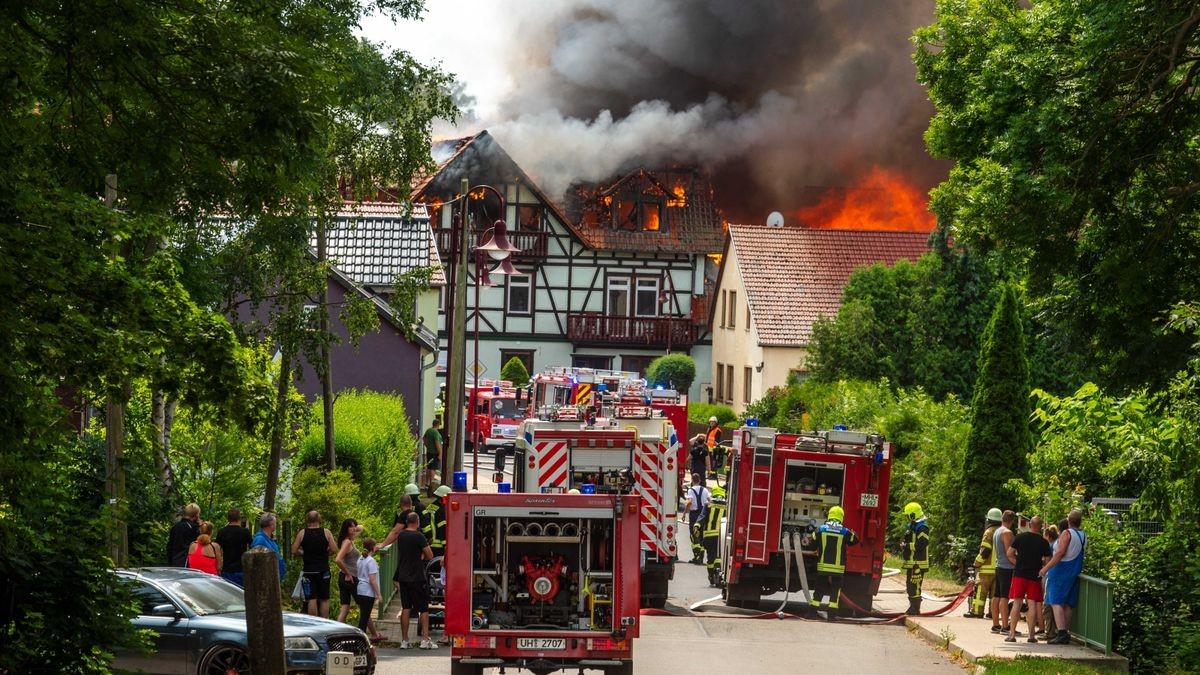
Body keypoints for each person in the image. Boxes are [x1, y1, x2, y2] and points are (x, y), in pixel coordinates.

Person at [1042, 508, 1087, 645]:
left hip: (1060, 571)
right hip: (1074, 571)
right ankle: (1065, 631)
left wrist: (1046, 568)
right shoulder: (1083, 535)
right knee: (1068, 603)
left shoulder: (1067, 533)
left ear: (1069, 521)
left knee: (1055, 601)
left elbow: (1060, 553)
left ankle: (1060, 632)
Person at [1005, 515, 1052, 643]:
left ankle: (1012, 634)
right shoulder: (1043, 542)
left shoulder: (1020, 538)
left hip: (1019, 575)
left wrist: (1017, 563)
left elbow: (1009, 553)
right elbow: (1047, 561)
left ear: (1030, 525)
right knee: (1032, 605)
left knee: (1017, 603)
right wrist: (1041, 567)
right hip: (1034, 577)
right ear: (1041, 527)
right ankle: (1031, 636)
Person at [394, 511, 436, 650]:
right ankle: (425, 639)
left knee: (406, 608)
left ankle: (404, 640)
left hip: (403, 576)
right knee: (423, 609)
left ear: (407, 522)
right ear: (417, 522)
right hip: (417, 576)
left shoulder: (401, 535)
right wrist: (422, 554)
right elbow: (430, 555)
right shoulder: (419, 536)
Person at [808, 505, 859, 615]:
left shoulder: (821, 529)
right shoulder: (844, 531)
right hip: (838, 569)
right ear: (841, 517)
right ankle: (831, 615)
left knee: (819, 589)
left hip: (823, 567)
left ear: (829, 516)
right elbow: (855, 541)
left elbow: (811, 545)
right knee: (835, 591)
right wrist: (853, 533)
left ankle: (812, 613)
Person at [291, 510, 337, 617]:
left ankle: (314, 622)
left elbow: (293, 550)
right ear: (319, 519)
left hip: (308, 571)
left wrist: (303, 553)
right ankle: (324, 622)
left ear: (307, 520)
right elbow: (334, 549)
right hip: (323, 570)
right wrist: (326, 554)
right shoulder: (326, 532)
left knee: (311, 598)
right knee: (324, 599)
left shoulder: (302, 533)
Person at [966, 508, 1003, 619]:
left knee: (980, 592)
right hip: (999, 568)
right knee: (995, 594)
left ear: (989, 520)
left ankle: (977, 612)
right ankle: (993, 613)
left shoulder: (989, 532)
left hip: (986, 569)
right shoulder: (1003, 531)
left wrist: (977, 563)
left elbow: (985, 551)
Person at [900, 501, 930, 615]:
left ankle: (915, 608)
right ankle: (912, 607)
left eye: (908, 515)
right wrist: (904, 543)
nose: (907, 518)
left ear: (913, 515)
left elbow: (921, 544)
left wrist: (907, 546)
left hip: (918, 563)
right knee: (910, 585)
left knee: (915, 586)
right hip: (912, 562)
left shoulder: (922, 527)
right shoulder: (913, 526)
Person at [990, 510, 1017, 635]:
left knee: (996, 595)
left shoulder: (997, 531)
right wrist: (1018, 564)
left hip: (999, 565)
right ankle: (1005, 626)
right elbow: (1009, 553)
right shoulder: (1007, 533)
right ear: (1011, 521)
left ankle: (996, 623)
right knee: (1004, 597)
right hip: (1007, 567)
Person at [354, 537, 385, 642]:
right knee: (364, 617)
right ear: (373, 547)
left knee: (364, 615)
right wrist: (379, 594)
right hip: (367, 592)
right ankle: (359, 640)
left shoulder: (360, 559)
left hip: (360, 589)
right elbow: (372, 580)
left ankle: (360, 639)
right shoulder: (371, 561)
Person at [215, 507, 253, 587]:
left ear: (228, 518)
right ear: (239, 518)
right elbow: (252, 548)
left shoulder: (221, 532)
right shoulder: (245, 532)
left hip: (226, 569)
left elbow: (217, 549)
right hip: (241, 569)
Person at [335, 518, 363, 624]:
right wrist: (348, 573)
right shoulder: (347, 542)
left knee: (345, 608)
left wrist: (355, 527)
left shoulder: (349, 540)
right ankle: (374, 634)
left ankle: (336, 630)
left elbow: (361, 528)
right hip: (350, 578)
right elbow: (338, 559)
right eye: (351, 526)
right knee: (363, 607)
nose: (354, 528)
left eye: (354, 526)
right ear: (345, 529)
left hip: (344, 577)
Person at [702, 485, 728, 586]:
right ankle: (719, 574)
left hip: (709, 536)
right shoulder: (727, 505)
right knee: (719, 556)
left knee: (710, 558)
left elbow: (702, 517)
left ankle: (711, 576)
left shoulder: (708, 504)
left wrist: (697, 525)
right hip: (722, 536)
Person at [684, 473, 711, 564]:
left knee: (694, 535)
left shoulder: (691, 490)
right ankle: (701, 557)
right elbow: (710, 501)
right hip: (703, 515)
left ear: (692, 480)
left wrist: (684, 514)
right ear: (699, 480)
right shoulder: (705, 490)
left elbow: (689, 502)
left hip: (694, 515)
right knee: (702, 535)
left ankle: (697, 557)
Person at [251, 512, 286, 581]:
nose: (276, 525)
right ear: (271, 524)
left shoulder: (268, 538)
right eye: (275, 523)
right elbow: (257, 563)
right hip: (266, 581)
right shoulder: (260, 539)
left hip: (273, 579)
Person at [1040, 523, 1060, 637]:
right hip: (1055, 576)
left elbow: (1047, 562)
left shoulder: (1050, 547)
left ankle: (1049, 631)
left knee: (1047, 605)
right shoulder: (1056, 544)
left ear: (1047, 535)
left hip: (1049, 576)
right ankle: (1054, 630)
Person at [422, 485, 450, 562]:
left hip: (429, 544)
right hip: (439, 546)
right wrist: (446, 546)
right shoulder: (441, 510)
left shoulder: (430, 506)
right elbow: (442, 529)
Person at [422, 419, 443, 487]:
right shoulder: (435, 432)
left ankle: (427, 483)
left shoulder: (428, 430)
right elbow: (437, 443)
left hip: (429, 452)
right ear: (438, 424)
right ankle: (431, 484)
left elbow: (424, 439)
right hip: (435, 452)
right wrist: (440, 453)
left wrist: (427, 445)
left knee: (428, 467)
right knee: (433, 468)